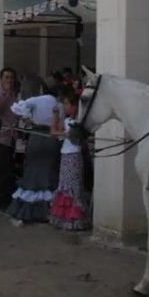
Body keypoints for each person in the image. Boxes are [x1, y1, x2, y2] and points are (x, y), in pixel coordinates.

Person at [6, 83, 62, 226]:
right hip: (52, 139)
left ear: (43, 90)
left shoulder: (36, 100)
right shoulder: (59, 105)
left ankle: (21, 212)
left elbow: (18, 108)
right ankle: (45, 213)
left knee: (31, 174)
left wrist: (28, 119)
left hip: (36, 137)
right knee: (48, 176)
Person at [49, 88, 91, 231]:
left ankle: (75, 219)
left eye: (67, 104)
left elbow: (77, 137)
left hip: (74, 156)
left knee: (73, 186)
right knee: (64, 185)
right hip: (65, 155)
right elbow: (54, 132)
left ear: (74, 106)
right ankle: (64, 217)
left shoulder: (79, 122)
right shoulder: (67, 121)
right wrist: (55, 117)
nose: (65, 107)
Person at [0, 67, 18, 211]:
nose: (9, 80)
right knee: (3, 171)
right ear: (0, 79)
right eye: (6, 77)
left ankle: (4, 200)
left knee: (8, 171)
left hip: (11, 136)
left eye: (11, 77)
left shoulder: (12, 93)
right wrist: (5, 96)